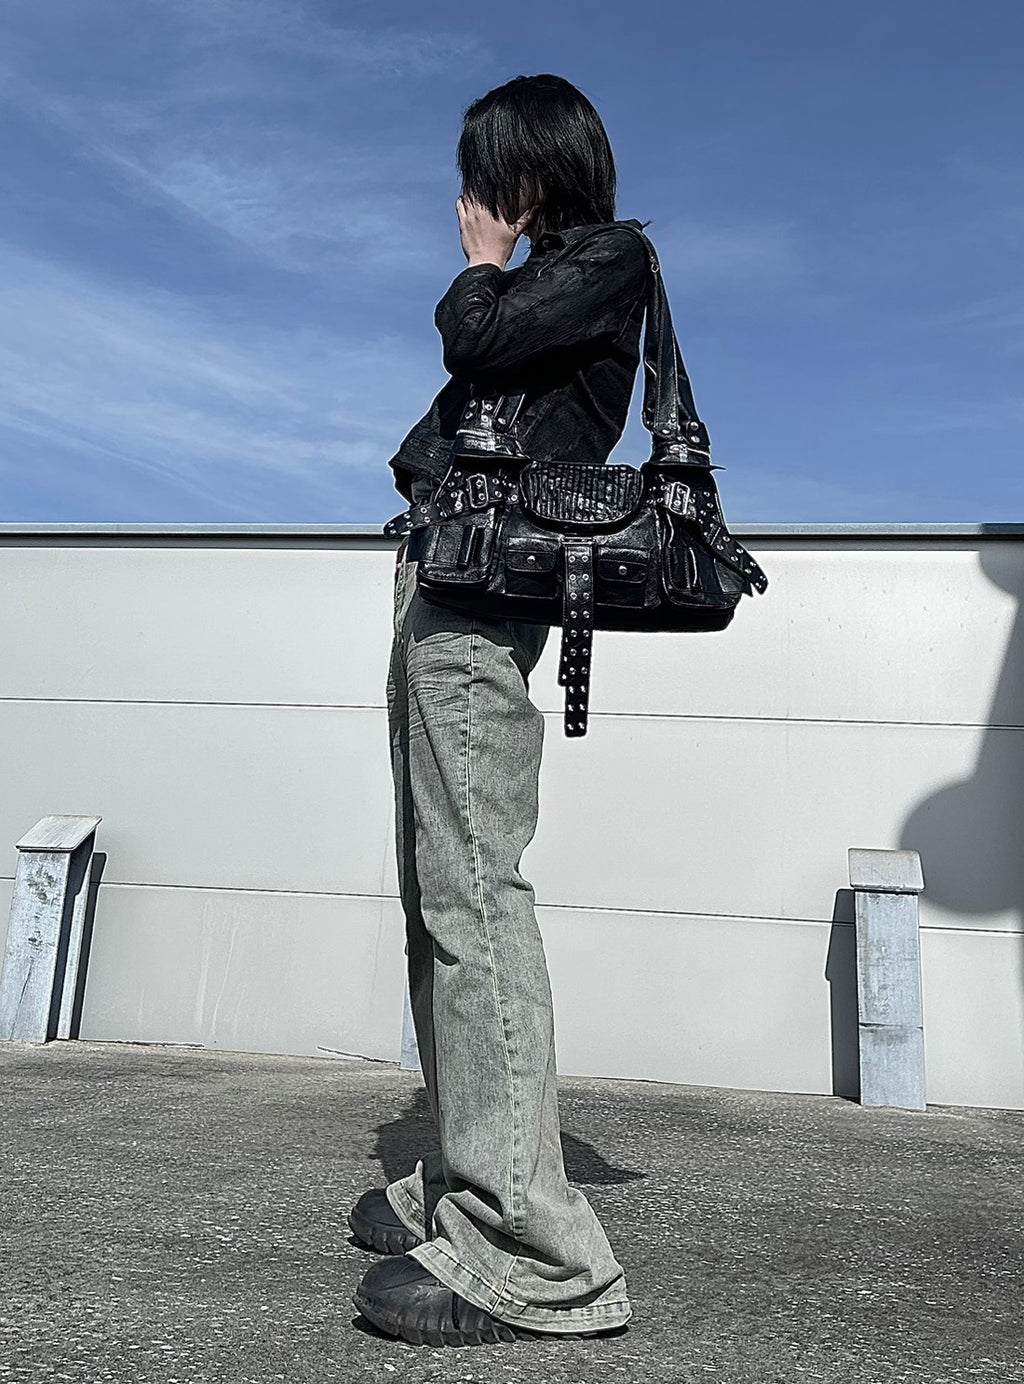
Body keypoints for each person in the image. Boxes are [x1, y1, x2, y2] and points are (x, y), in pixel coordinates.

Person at [349, 73, 650, 1349]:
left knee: (474, 889)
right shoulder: (552, 281)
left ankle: (540, 1253)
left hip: (483, 593)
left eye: (489, 172)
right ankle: (467, 1177)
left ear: (538, 167)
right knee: (438, 894)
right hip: (442, 574)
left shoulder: (607, 260)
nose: (474, 197)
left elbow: (474, 346)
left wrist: (481, 265)